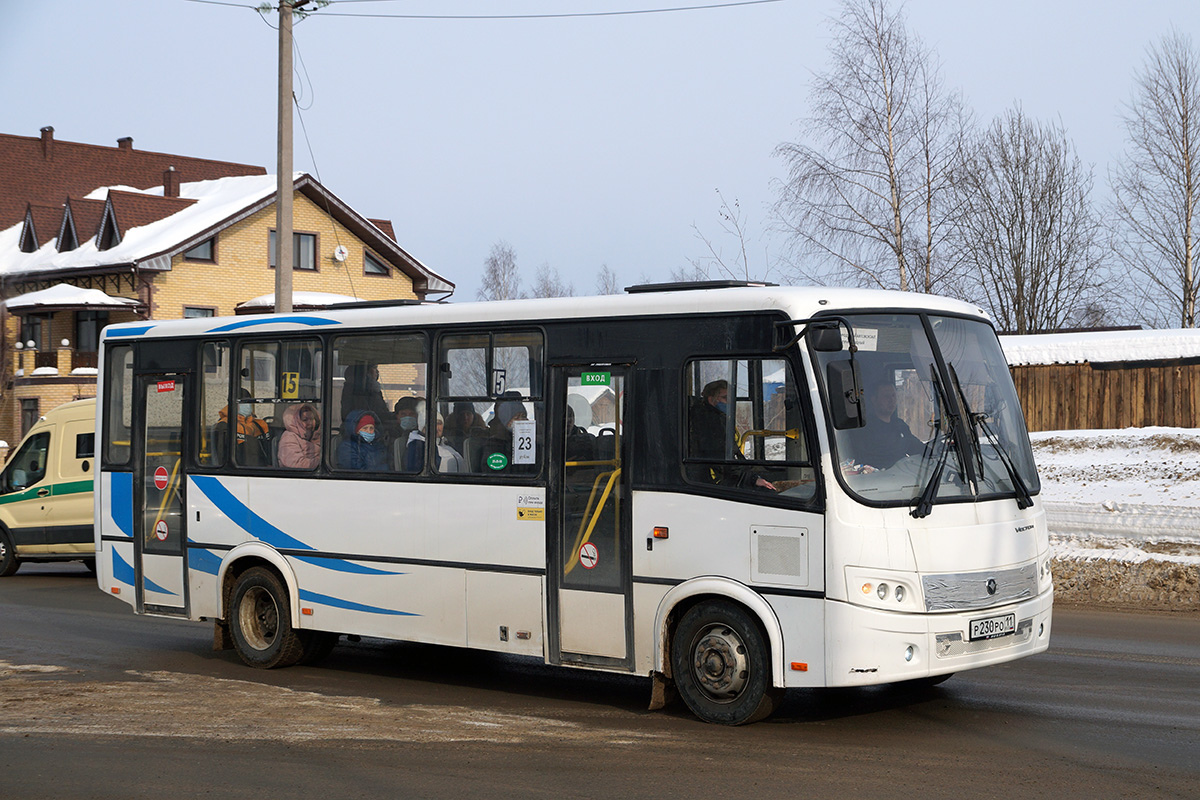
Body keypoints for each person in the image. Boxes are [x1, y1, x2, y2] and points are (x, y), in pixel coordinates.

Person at [688, 379, 776, 490]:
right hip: (714, 482)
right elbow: (722, 459)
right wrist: (752, 479)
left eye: (731, 398)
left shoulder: (718, 418)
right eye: (725, 398)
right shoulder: (709, 423)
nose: (729, 402)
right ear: (711, 400)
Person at [846, 377, 924, 472]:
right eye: (886, 396)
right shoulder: (865, 429)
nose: (891, 400)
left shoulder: (900, 425)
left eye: (893, 396)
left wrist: (936, 450)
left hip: (904, 475)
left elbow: (916, 447)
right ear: (874, 400)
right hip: (880, 478)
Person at [215, 387, 270, 466]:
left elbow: (267, 450)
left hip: (261, 469)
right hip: (240, 470)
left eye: (249, 402)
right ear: (233, 403)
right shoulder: (225, 425)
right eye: (244, 402)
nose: (247, 405)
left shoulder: (260, 425)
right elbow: (222, 456)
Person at [278, 403, 321, 469]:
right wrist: (321, 462)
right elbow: (296, 464)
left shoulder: (316, 436)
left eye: (312, 419)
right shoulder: (288, 438)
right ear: (296, 421)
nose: (310, 423)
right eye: (305, 420)